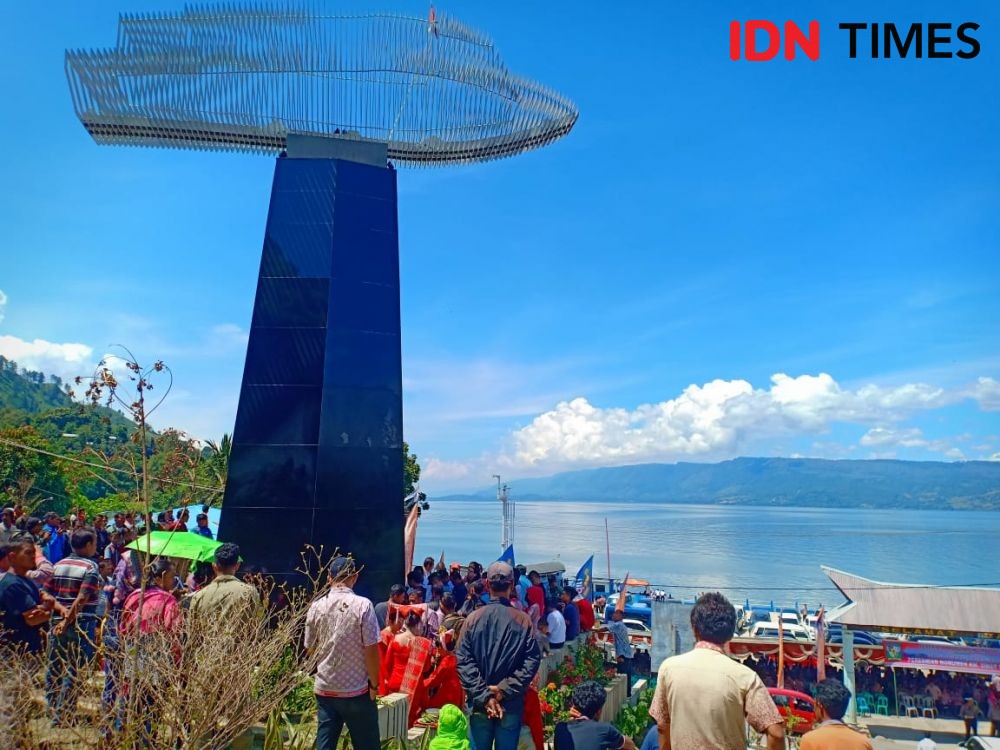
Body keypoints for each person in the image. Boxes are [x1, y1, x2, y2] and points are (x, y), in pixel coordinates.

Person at [649, 592, 784, 750]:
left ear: (694, 628)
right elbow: (776, 733)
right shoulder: (745, 677)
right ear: (729, 633)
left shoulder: (668, 669)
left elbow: (662, 725)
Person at [456, 561, 542, 750]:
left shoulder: (472, 619)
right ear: (512, 586)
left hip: (479, 703)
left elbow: (463, 661)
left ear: (487, 585)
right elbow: (532, 661)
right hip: (509, 703)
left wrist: (485, 695)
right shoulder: (523, 620)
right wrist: (502, 690)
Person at [305, 556, 381, 750]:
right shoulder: (363, 605)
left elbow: (310, 647)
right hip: (357, 690)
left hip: (326, 688)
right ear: (354, 577)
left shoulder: (316, 607)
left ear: (329, 578)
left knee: (325, 745)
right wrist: (374, 683)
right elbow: (371, 649)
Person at [120, 557, 184, 743]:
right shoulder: (168, 600)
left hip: (132, 655)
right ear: (162, 576)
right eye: (172, 577)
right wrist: (176, 662)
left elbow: (123, 627)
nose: (173, 581)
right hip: (155, 658)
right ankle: (146, 742)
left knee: (134, 705)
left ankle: (130, 742)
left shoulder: (133, 596)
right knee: (152, 707)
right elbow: (174, 632)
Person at [45, 527, 101, 726]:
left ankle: (51, 710)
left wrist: (61, 616)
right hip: (81, 622)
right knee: (74, 668)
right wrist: (68, 619)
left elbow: (46, 594)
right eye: (94, 543)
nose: (95, 547)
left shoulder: (57, 565)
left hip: (57, 621)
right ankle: (63, 714)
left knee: (55, 666)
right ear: (87, 545)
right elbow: (82, 598)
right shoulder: (90, 568)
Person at [0, 539, 66, 654]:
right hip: (18, 651)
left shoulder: (24, 580)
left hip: (31, 648)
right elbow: (33, 619)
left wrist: (53, 608)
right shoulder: (12, 585)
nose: (33, 556)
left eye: (33, 553)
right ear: (12, 557)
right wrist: (48, 609)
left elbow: (42, 597)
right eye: (28, 553)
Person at [382, 606, 433, 726]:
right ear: (418, 624)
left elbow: (387, 664)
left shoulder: (395, 639)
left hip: (394, 684)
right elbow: (426, 668)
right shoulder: (423, 644)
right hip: (414, 687)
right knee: (409, 720)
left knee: (394, 718)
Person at [188, 542, 260, 622]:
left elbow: (191, 629)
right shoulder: (249, 592)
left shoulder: (199, 596)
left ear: (214, 565)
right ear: (237, 565)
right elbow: (255, 626)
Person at [554, 680, 636, 750]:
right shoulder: (605, 729)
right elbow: (630, 746)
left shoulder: (560, 728)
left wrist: (570, 719)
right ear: (598, 711)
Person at [799, 679, 872, 750]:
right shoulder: (863, 742)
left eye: (814, 704)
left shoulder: (810, 740)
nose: (813, 708)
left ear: (819, 705)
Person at [424, 630, 465, 710]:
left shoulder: (447, 661)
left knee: (430, 706)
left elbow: (434, 679)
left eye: (439, 645)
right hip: (458, 694)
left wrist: (421, 684)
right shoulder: (457, 657)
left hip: (449, 694)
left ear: (444, 647)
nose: (437, 649)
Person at [606, 610, 634, 697]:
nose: (613, 615)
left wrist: (593, 629)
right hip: (626, 654)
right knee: (626, 676)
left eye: (615, 614)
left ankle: (625, 694)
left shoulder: (618, 625)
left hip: (623, 655)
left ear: (621, 616)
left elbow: (606, 628)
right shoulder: (621, 625)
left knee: (623, 675)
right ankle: (627, 694)